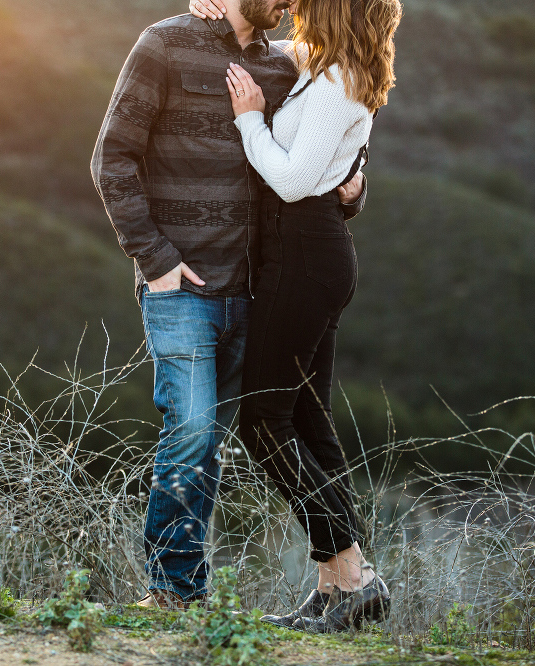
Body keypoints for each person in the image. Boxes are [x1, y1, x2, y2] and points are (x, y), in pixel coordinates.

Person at [91, 0, 366, 610]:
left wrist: (358, 184)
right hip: (183, 286)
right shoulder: (163, 45)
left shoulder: (283, 66)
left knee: (257, 430)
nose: (290, 3)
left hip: (259, 290)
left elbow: (326, 140)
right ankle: (175, 593)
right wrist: (154, 258)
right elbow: (113, 157)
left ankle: (345, 580)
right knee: (191, 429)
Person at [190, 0, 401, 632]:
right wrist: (214, 7)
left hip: (305, 256)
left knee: (263, 418)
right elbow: (262, 44)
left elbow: (291, 180)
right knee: (307, 419)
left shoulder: (336, 83)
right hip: (304, 254)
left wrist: (251, 121)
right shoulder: (326, 65)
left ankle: (356, 573)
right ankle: (337, 589)